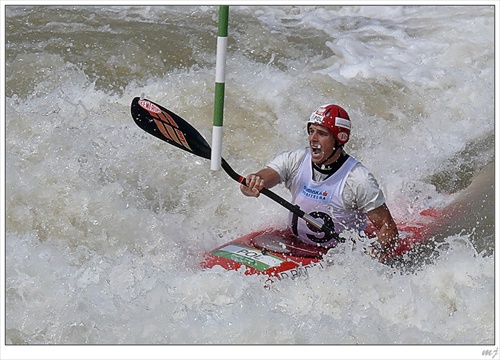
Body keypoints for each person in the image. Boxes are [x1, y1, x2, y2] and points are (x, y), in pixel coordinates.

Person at [240, 103, 399, 261]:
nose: (313, 139)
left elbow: (389, 228)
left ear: (339, 139)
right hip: (294, 244)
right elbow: (261, 179)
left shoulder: (358, 179)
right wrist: (254, 182)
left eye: (322, 134)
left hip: (338, 255)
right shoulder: (296, 159)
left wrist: (376, 250)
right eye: (311, 131)